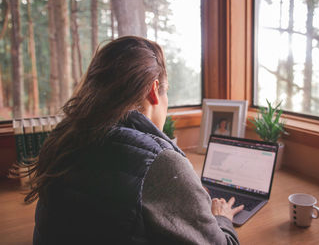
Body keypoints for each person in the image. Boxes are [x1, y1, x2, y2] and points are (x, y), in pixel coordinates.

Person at [22, 36, 243, 245]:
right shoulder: (160, 162)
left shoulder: (64, 136)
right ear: (154, 90)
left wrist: (187, 197)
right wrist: (221, 218)